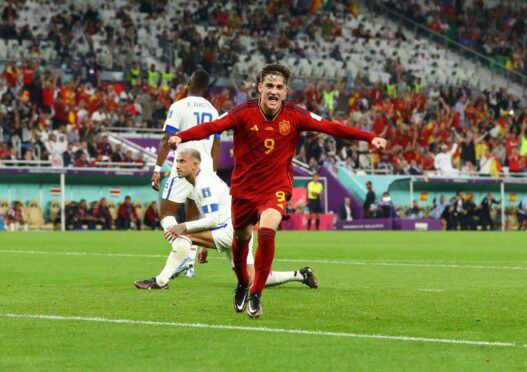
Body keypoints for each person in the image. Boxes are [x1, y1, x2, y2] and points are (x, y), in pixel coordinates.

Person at [168, 64, 386, 318]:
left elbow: (331, 127)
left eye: (279, 87)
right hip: (244, 190)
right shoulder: (243, 112)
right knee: (240, 239)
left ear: (285, 91)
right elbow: (212, 127)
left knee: (268, 230)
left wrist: (369, 137)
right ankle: (242, 283)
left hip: (275, 189)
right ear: (260, 87)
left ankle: (257, 293)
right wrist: (181, 137)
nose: (274, 91)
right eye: (269, 86)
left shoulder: (295, 115)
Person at [134, 149, 318, 290]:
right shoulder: (202, 181)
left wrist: (183, 226)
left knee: (185, 236)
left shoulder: (203, 184)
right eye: (177, 161)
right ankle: (301, 275)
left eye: (182, 161)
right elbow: (213, 215)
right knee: (252, 280)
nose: (177, 165)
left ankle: (161, 281)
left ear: (195, 164)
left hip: (229, 229)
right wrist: (205, 246)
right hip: (237, 226)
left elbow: (213, 220)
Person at [151, 69, 221, 277]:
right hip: (205, 168)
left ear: (189, 82)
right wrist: (213, 173)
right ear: (206, 88)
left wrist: (157, 169)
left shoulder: (179, 106)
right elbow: (217, 145)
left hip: (184, 166)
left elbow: (167, 140)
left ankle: (180, 253)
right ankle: (189, 264)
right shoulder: (213, 110)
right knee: (192, 216)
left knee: (166, 214)